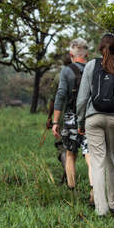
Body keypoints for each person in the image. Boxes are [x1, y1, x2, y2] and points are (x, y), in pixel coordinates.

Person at [76, 34, 114, 216]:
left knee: (97, 163)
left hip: (93, 118)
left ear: (100, 48)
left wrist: (80, 121)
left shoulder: (91, 65)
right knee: (112, 161)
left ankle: (101, 209)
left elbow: (82, 98)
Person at [52, 38, 93, 204]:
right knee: (90, 156)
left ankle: (72, 190)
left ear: (71, 54)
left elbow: (61, 94)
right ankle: (93, 191)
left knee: (70, 154)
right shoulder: (94, 68)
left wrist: (55, 121)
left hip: (71, 117)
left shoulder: (66, 71)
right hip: (91, 117)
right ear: (87, 54)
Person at [46, 54, 72, 183]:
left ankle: (69, 177)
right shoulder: (84, 72)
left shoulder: (59, 76)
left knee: (62, 146)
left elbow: (53, 100)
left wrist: (50, 117)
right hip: (81, 115)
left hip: (62, 116)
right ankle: (66, 176)